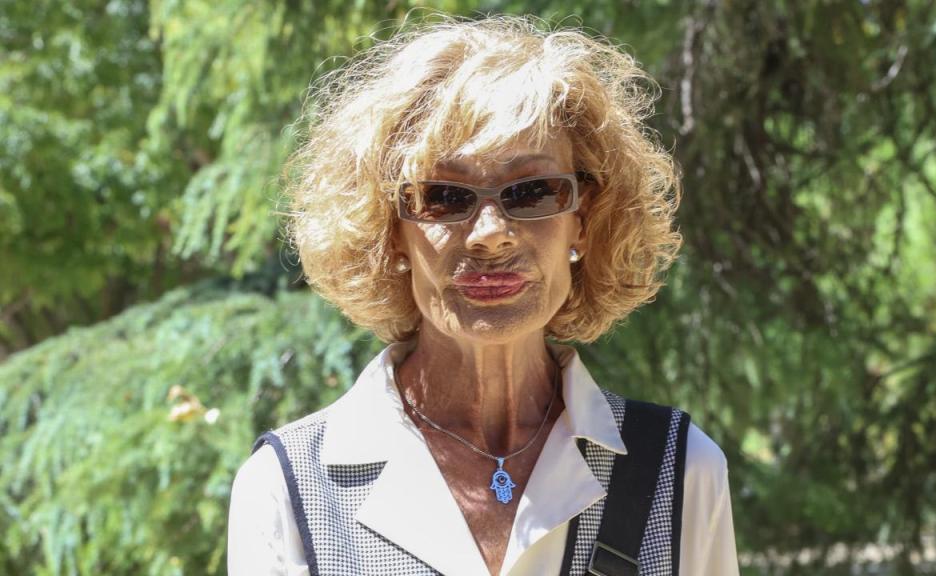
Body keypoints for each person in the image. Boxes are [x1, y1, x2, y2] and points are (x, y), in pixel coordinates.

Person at [228, 15, 739, 576]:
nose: (490, 232)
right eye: (443, 196)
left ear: (585, 222)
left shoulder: (680, 471)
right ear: (388, 230)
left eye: (533, 191)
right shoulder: (290, 490)